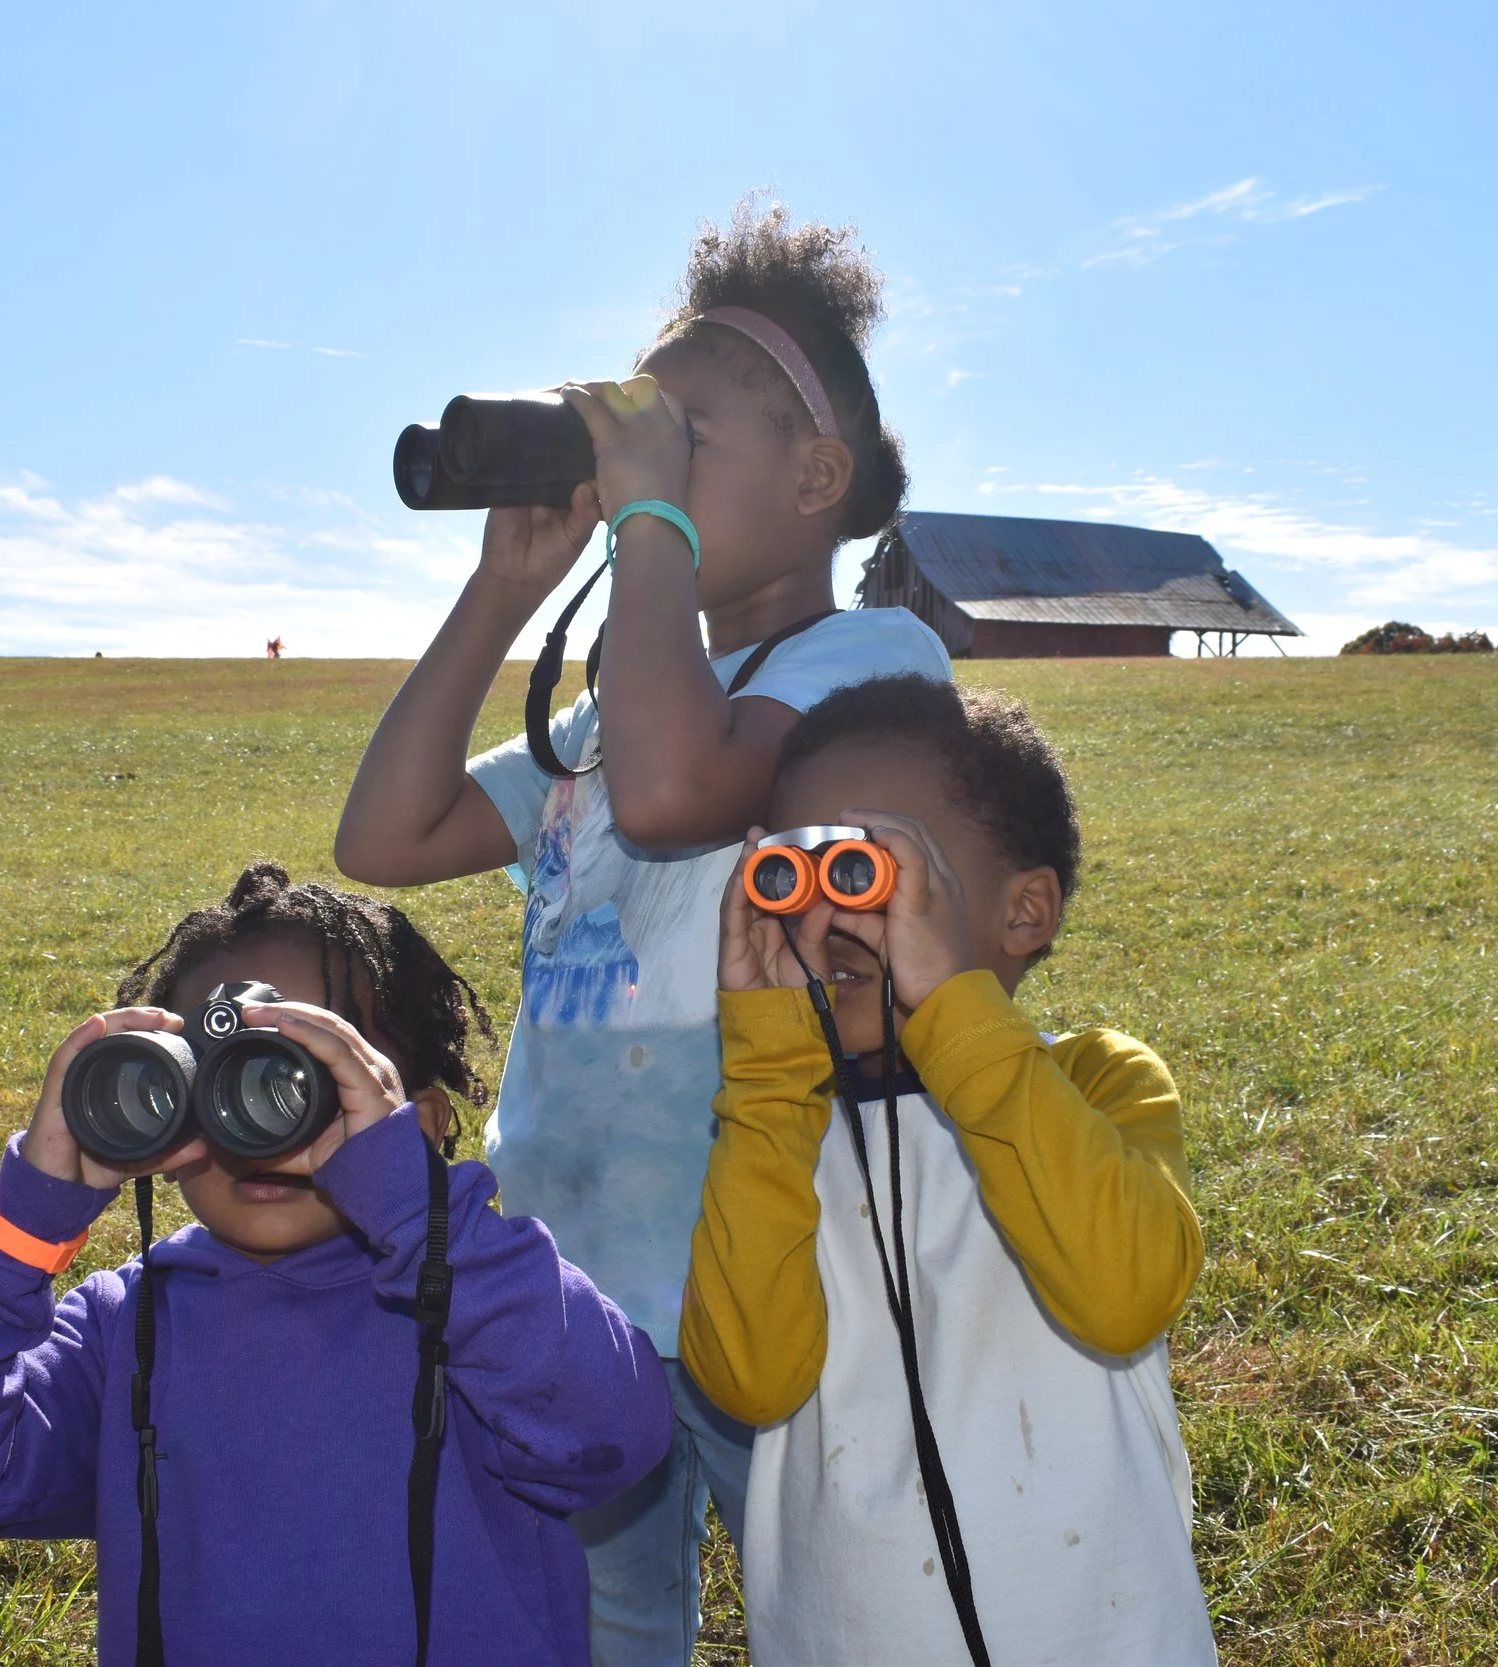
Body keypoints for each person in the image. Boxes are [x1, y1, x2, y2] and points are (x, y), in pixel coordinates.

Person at [334, 202, 950, 1665]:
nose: (632, 471)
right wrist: (505, 585)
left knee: (841, 1609)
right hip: (572, 1264)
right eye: (630, 437)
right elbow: (387, 835)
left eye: (678, 438)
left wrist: (649, 525)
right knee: (598, 1632)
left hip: (777, 1258)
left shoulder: (867, 655)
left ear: (819, 477)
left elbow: (680, 795)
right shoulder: (613, 708)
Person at [0, 864, 673, 1667]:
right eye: (218, 1083)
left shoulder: (479, 1302)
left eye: (307, 1077)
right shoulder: (126, 1329)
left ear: (415, 1123)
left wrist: (417, 1213)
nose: (265, 1122)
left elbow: (611, 1433)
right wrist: (23, 1219)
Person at [683, 675, 1218, 1665]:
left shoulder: (1094, 1079)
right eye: (799, 868)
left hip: (1096, 1632)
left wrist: (955, 1012)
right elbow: (749, 1380)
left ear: (1024, 910)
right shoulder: (776, 1131)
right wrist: (766, 1077)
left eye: (875, 870)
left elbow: (1124, 1292)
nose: (832, 917)